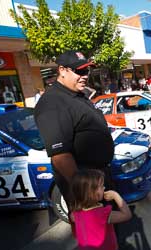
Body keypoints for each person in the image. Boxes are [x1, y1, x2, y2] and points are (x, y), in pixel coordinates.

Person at [34, 50, 115, 217]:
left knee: (109, 233)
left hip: (98, 179)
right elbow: (60, 155)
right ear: (62, 70)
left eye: (87, 71)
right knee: (95, 238)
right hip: (86, 188)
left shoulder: (76, 94)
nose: (85, 75)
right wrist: (87, 193)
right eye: (79, 71)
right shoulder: (52, 102)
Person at [71, 169, 131, 250]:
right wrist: (116, 195)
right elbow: (127, 214)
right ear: (91, 193)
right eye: (101, 186)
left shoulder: (75, 213)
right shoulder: (103, 214)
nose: (104, 187)